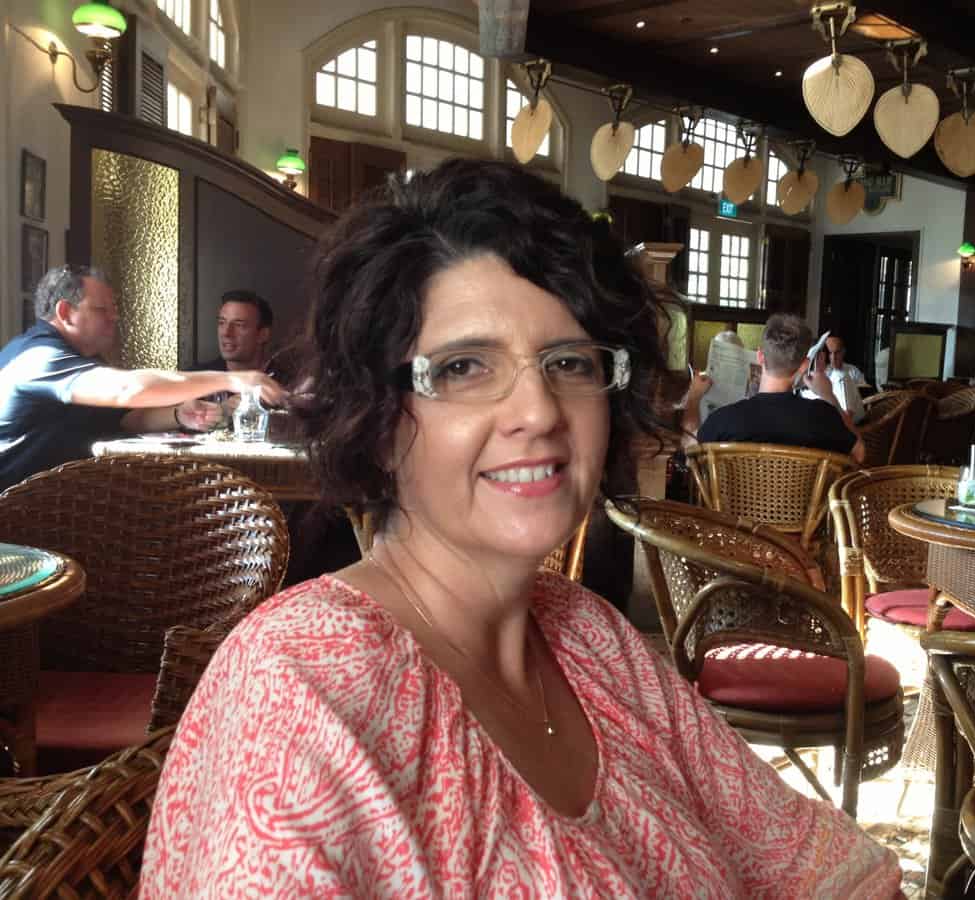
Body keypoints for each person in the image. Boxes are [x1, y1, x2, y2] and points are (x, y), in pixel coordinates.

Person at [140, 160, 900, 897]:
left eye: (569, 363)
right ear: (373, 417)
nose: (539, 411)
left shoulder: (591, 637)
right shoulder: (301, 691)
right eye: (465, 367)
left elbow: (813, 862)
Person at [0, 266, 286, 491]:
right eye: (102, 309)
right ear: (65, 312)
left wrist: (180, 414)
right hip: (15, 520)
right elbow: (128, 389)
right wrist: (232, 380)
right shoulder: (38, 356)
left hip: (58, 506)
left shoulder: (81, 360)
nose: (115, 317)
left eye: (115, 309)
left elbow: (128, 417)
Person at [681, 313, 865, 463]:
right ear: (804, 365)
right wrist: (829, 395)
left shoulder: (724, 419)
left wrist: (693, 397)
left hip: (731, 508)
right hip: (806, 508)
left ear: (760, 357)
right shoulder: (823, 416)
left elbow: (690, 450)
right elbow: (860, 453)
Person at [799, 335, 867, 424]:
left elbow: (846, 419)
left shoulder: (840, 378)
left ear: (822, 356)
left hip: (848, 431)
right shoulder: (803, 382)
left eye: (807, 358)